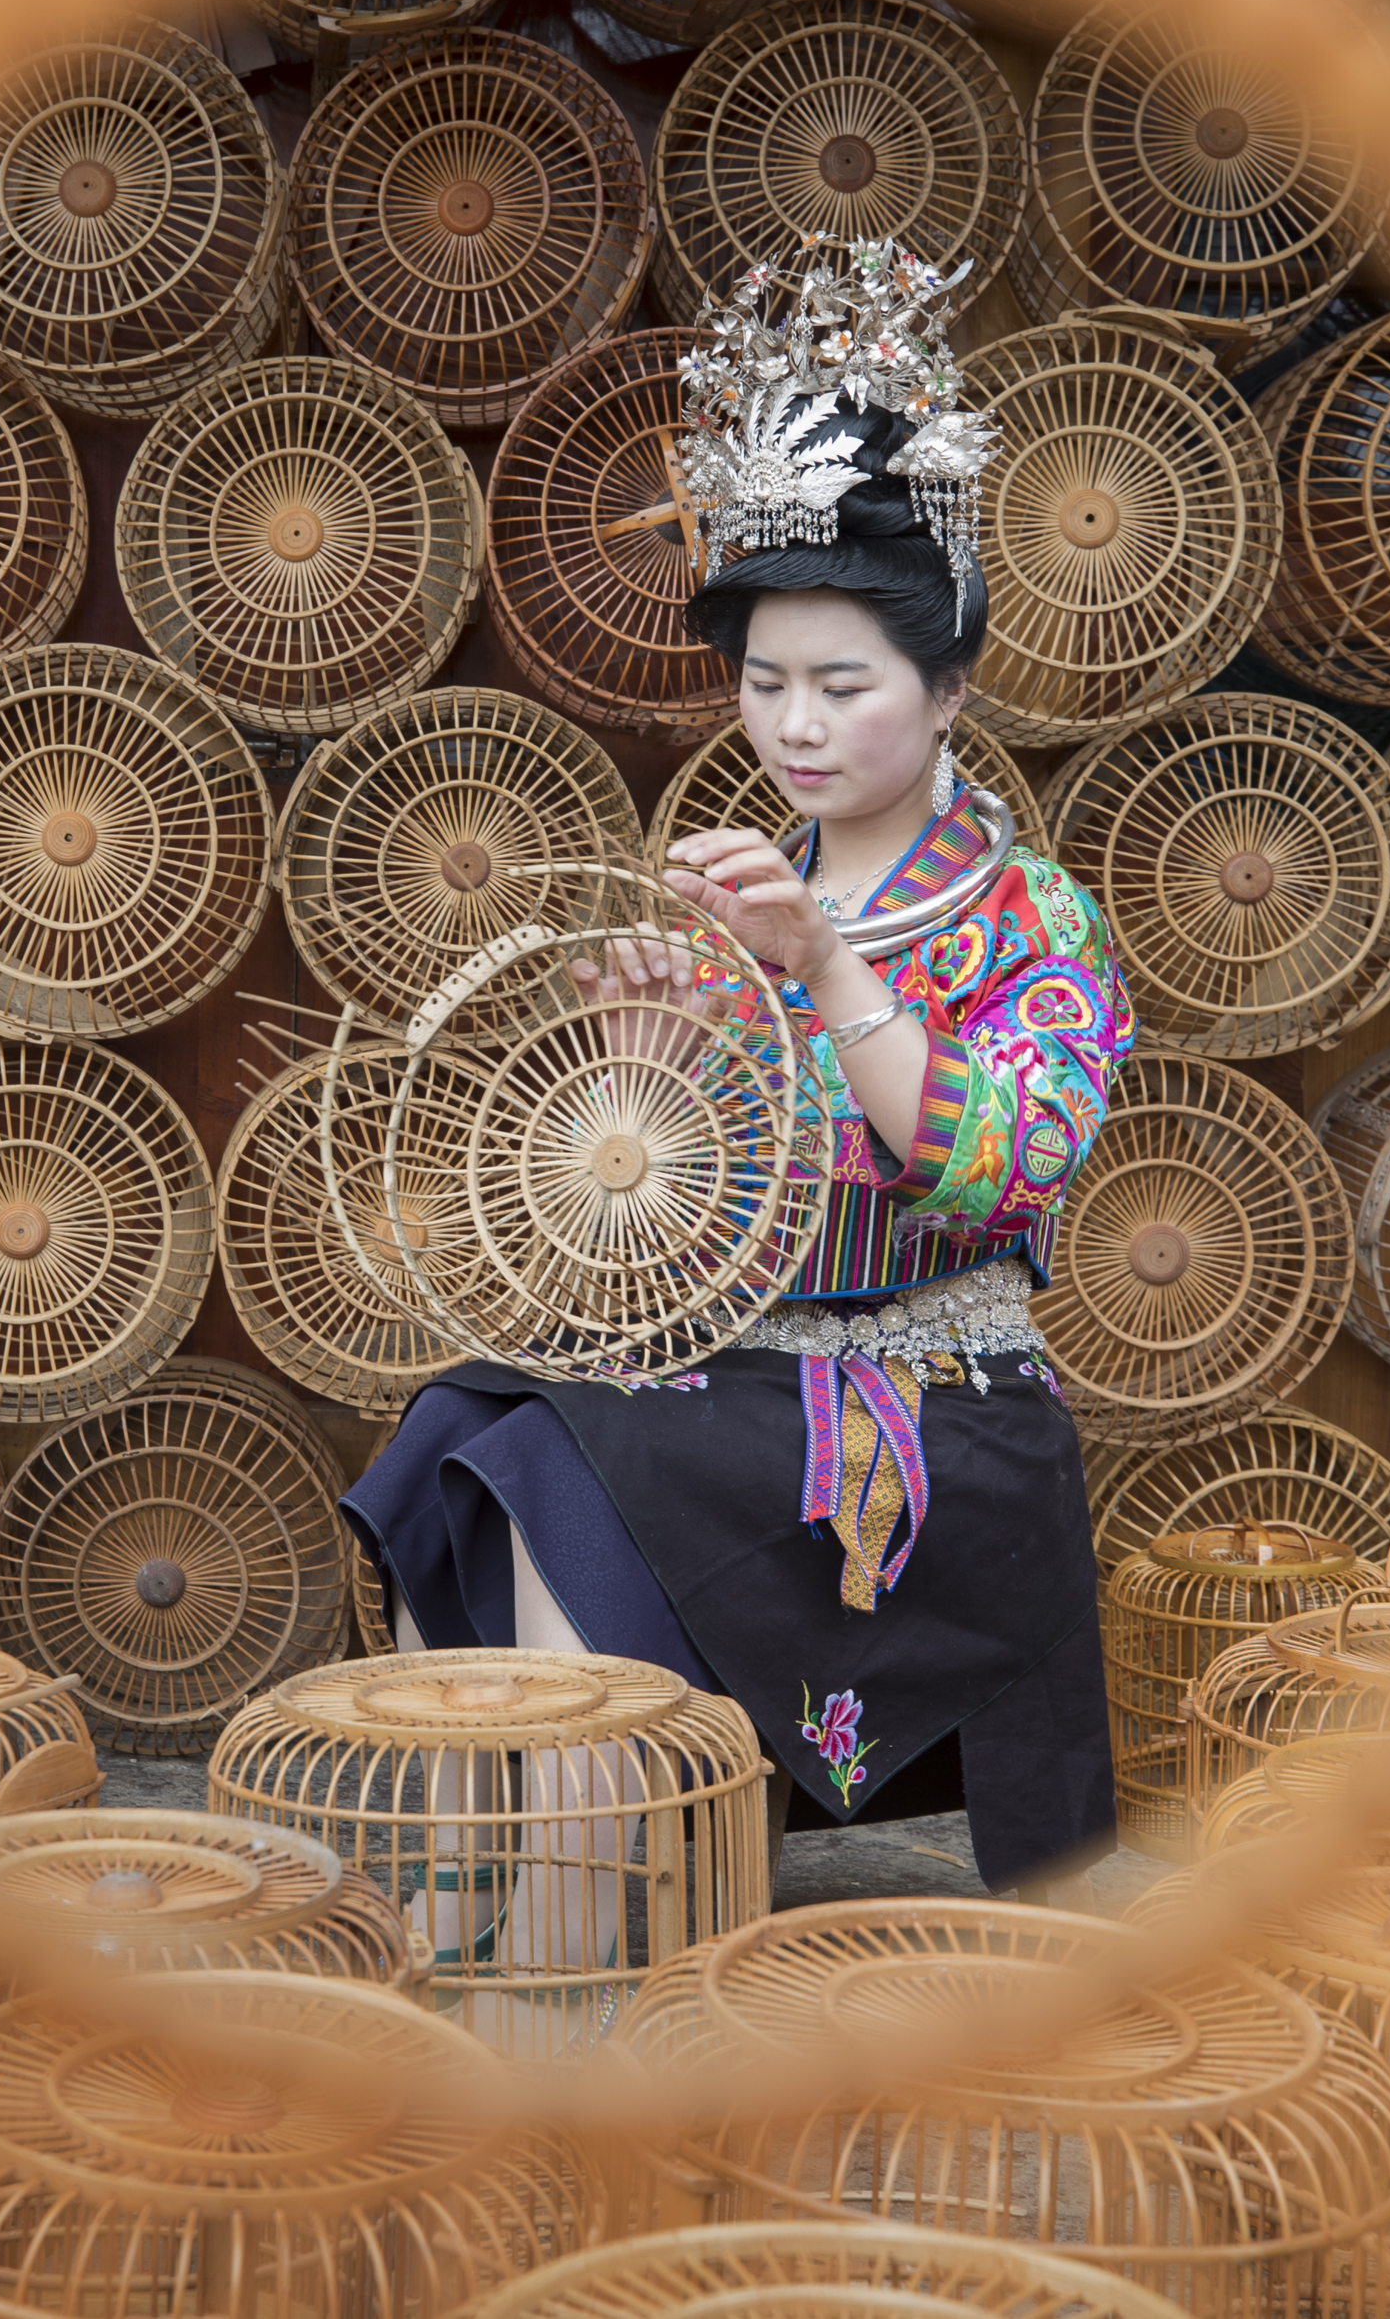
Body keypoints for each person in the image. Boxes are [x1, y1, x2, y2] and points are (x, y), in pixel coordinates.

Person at [343, 237, 1136, 1900]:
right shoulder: (745, 881)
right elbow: (661, 1212)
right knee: (461, 1425)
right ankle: (520, 1859)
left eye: (842, 683)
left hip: (930, 1381)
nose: (794, 722)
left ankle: (581, 1889)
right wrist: (640, 1048)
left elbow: (1005, 1158)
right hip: (738, 1354)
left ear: (950, 690)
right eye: (765, 680)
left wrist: (826, 966)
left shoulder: (1024, 910)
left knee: (560, 1452)